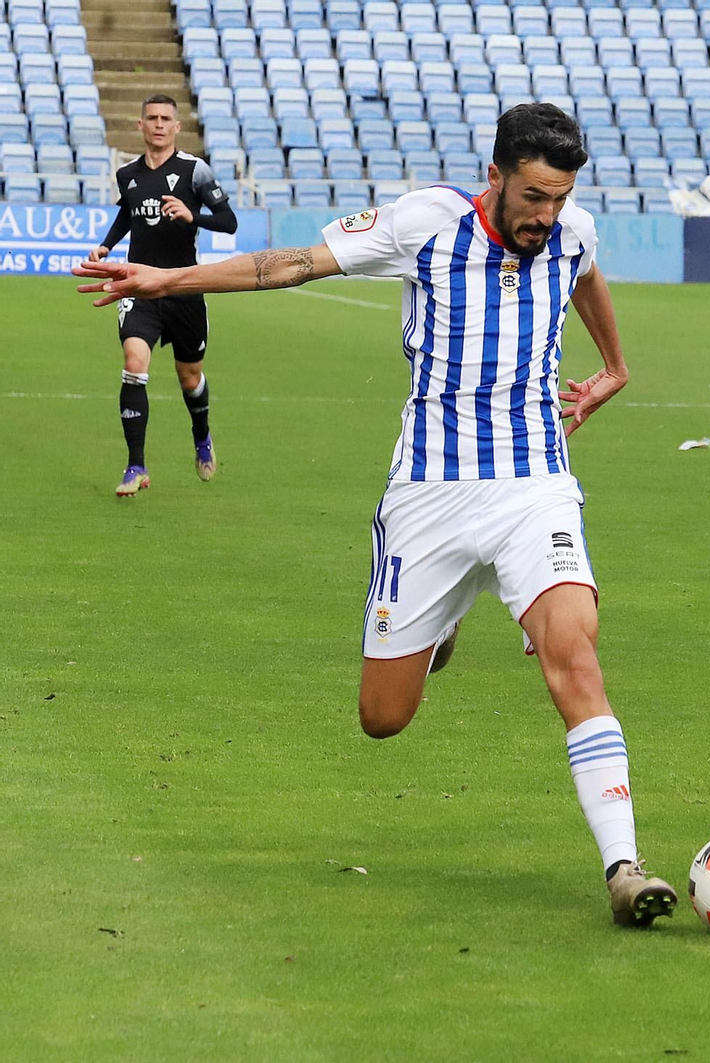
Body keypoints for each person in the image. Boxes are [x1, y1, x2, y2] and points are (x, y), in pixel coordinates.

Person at [76, 103, 678, 927]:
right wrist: (164, 279)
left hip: (534, 484)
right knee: (383, 718)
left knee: (574, 652)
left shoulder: (571, 230)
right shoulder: (424, 222)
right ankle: (440, 623)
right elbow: (290, 265)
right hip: (428, 495)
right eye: (534, 195)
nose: (546, 215)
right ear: (495, 176)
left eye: (560, 196)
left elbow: (583, 274)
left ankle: (624, 865)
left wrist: (614, 365)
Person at [91, 94, 237, 496]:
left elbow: (229, 221)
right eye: (151, 118)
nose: (158, 124)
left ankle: (202, 435)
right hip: (138, 283)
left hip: (184, 286)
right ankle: (135, 466)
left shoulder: (195, 171)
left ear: (177, 127)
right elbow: (128, 211)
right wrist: (106, 246)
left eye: (165, 118)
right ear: (140, 125)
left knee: (190, 378)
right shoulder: (127, 174)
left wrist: (195, 217)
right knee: (134, 360)